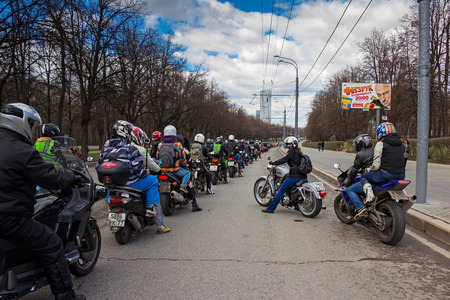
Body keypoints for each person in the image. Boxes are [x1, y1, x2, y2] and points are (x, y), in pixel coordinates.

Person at [0, 103, 85, 300]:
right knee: (52, 244)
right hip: (10, 218)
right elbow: (52, 177)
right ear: (22, 123)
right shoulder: (23, 150)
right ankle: (65, 296)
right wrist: (71, 176)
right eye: (32, 124)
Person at [96, 120, 170, 233]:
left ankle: (109, 203)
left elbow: (98, 167)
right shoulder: (130, 149)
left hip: (113, 185)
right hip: (131, 184)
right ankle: (152, 212)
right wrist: (147, 172)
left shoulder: (105, 149)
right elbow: (139, 171)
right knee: (153, 181)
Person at [359, 122, 405, 216]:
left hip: (386, 174)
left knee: (364, 176)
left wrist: (369, 169)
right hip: (401, 175)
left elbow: (376, 165)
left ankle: (370, 196)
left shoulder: (381, 144)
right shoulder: (401, 144)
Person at [156, 125, 202, 212]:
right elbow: (182, 159)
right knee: (187, 174)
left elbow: (158, 158)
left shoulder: (160, 145)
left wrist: (161, 167)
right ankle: (184, 187)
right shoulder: (177, 144)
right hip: (175, 170)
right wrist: (184, 164)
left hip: (163, 171)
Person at [261, 136, 308, 213]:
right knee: (292, 189)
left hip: (294, 177)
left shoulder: (292, 153)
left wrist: (273, 163)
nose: (287, 146)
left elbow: (283, 160)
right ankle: (296, 205)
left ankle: (270, 209)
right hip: (303, 176)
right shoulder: (299, 153)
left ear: (294, 144)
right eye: (287, 144)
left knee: (280, 191)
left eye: (289, 144)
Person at [130, 126, 167, 220]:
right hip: (132, 181)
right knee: (153, 181)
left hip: (117, 183)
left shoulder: (118, 148)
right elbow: (150, 164)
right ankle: (151, 209)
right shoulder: (140, 150)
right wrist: (158, 170)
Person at [341, 134, 374, 220]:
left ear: (361, 144)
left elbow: (354, 169)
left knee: (350, 190)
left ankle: (360, 208)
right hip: (378, 177)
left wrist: (347, 182)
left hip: (369, 179)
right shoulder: (375, 151)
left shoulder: (360, 154)